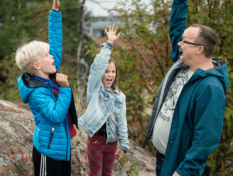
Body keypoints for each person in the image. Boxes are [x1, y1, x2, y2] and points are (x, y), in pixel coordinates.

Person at [143, 0, 229, 176]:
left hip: (179, 168)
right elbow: (176, 28)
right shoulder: (183, 63)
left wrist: (184, 171)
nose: (179, 44)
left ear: (199, 49)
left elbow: (205, 139)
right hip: (163, 161)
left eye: (184, 41)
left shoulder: (210, 87)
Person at [16, 0, 78, 175]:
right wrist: (65, 88)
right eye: (47, 55)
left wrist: (55, 12)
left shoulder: (49, 74)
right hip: (47, 153)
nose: (53, 57)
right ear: (37, 65)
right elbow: (57, 116)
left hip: (61, 150)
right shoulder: (37, 92)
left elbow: (56, 44)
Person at [78, 25, 130, 176]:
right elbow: (97, 67)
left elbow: (122, 121)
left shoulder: (120, 96)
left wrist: (124, 145)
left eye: (113, 71)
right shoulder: (96, 89)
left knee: (107, 174)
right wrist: (109, 44)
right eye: (107, 71)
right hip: (96, 141)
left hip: (112, 143)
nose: (110, 74)